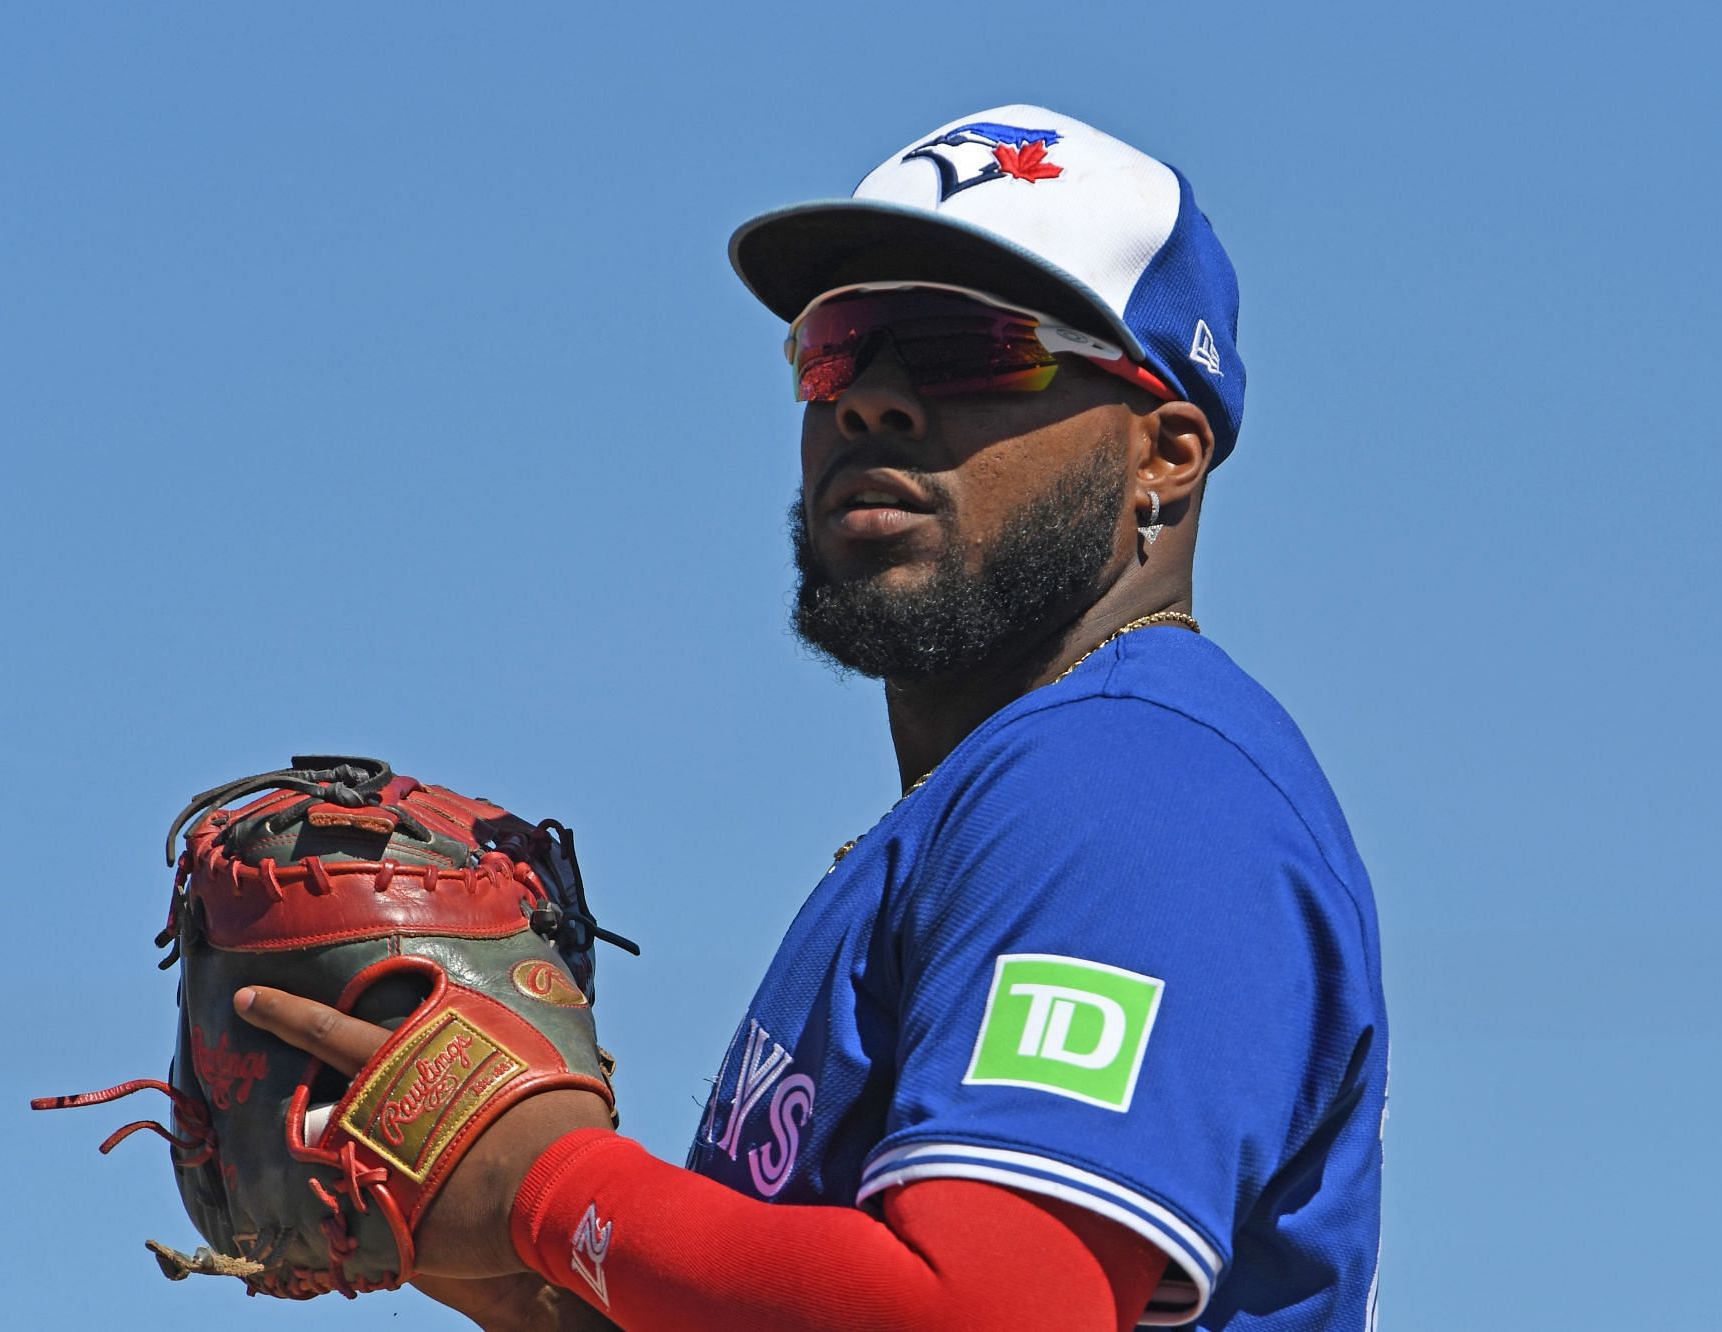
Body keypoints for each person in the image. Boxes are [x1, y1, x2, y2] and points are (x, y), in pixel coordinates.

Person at [236, 104, 1389, 1331]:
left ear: (1165, 451)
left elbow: (985, 1317)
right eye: (841, 348)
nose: (873, 402)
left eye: (971, 348)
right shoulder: (984, 810)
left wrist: (545, 1185)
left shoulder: (1135, 784)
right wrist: (533, 1292)